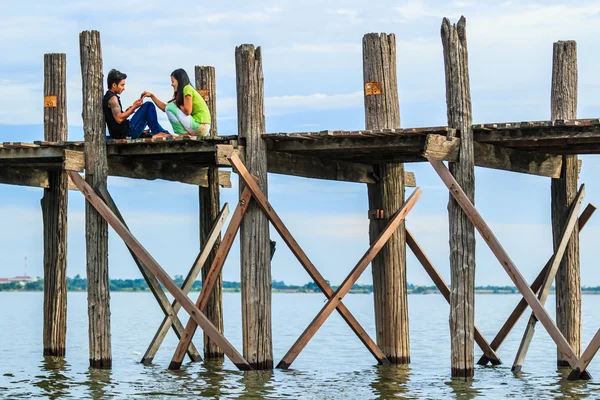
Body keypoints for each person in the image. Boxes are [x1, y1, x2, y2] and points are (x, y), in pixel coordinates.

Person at [103, 69, 170, 139]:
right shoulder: (113, 98)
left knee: (147, 112)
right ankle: (157, 132)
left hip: (124, 132)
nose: (124, 88)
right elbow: (119, 119)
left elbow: (116, 118)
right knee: (148, 106)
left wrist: (127, 111)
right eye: (122, 85)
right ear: (114, 85)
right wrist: (133, 107)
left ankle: (163, 133)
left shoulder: (109, 97)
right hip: (127, 133)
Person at [142, 69, 211, 136]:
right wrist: (152, 96)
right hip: (201, 128)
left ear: (179, 81)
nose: (171, 85)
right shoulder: (183, 92)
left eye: (173, 82)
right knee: (169, 107)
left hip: (201, 127)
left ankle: (183, 134)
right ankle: (184, 133)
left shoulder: (187, 88)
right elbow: (165, 108)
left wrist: (177, 104)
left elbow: (187, 111)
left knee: (170, 107)